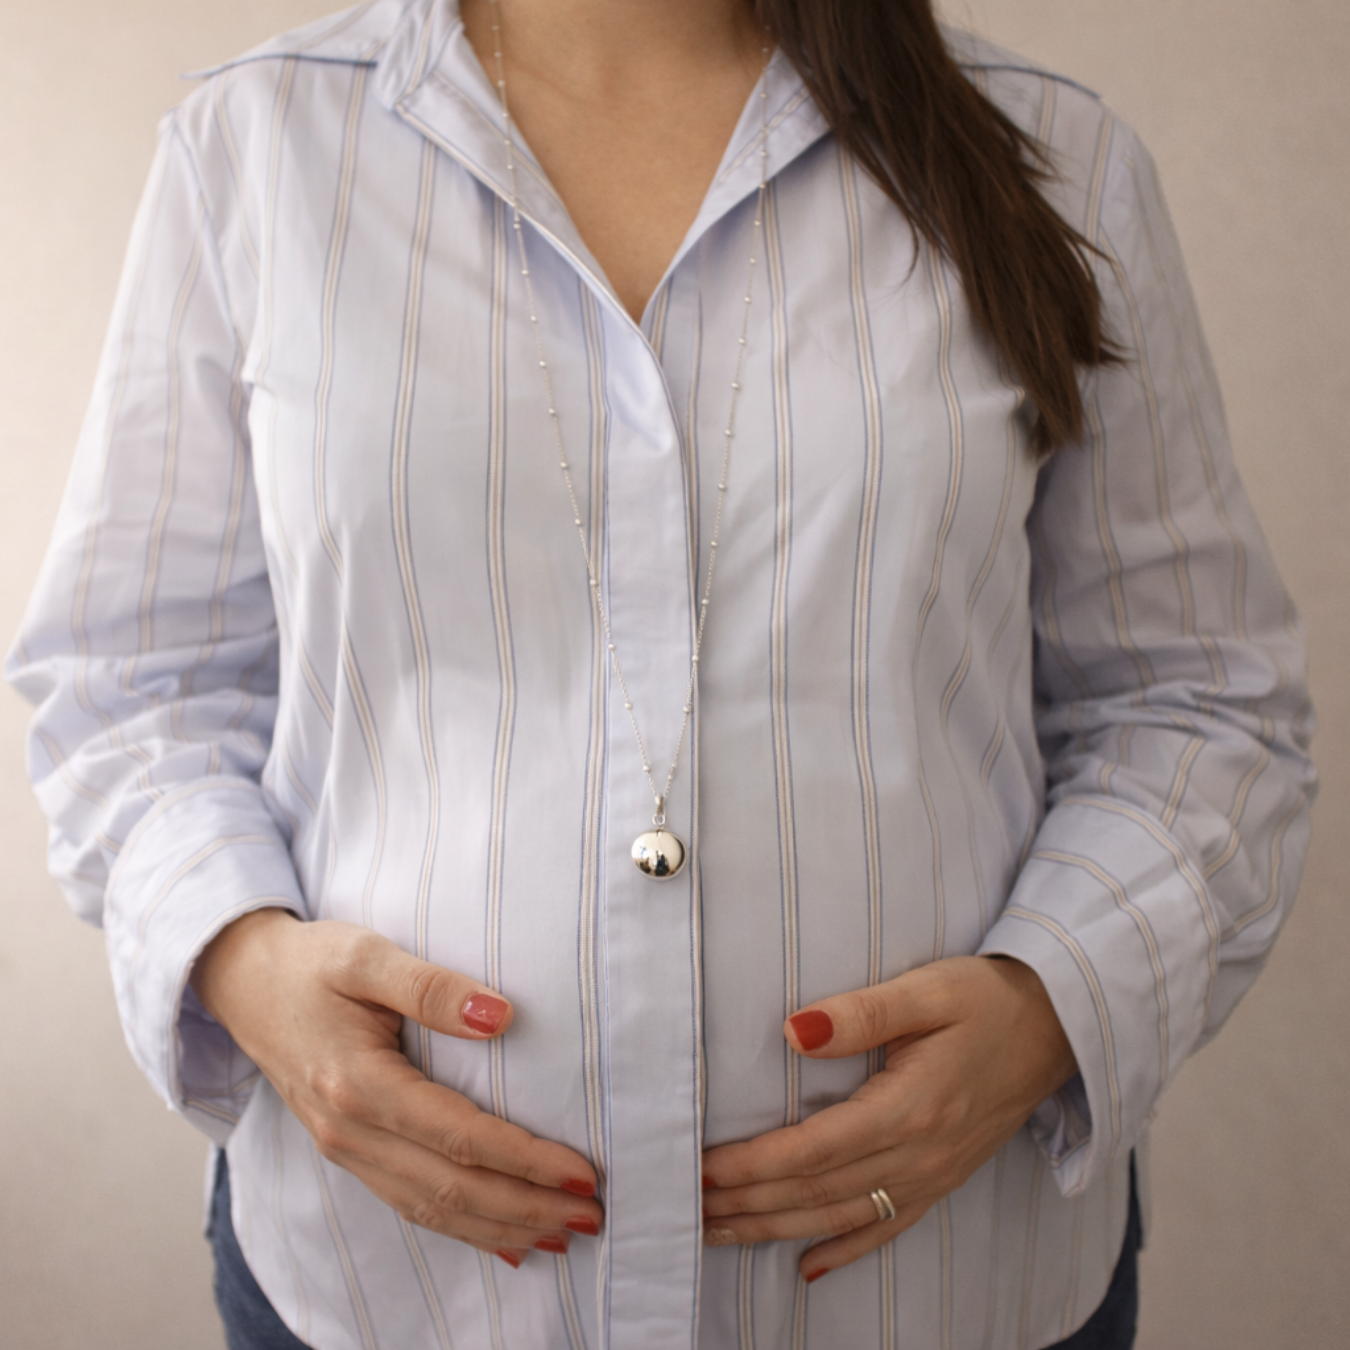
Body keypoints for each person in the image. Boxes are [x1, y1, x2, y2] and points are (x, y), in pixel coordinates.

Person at [5, 0, 1314, 1346]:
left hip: (945, 1282)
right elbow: (132, 683)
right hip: (382, 1286)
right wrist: (241, 962)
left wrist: (1056, 1002)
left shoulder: (1055, 155)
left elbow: (1195, 700)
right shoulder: (253, 147)